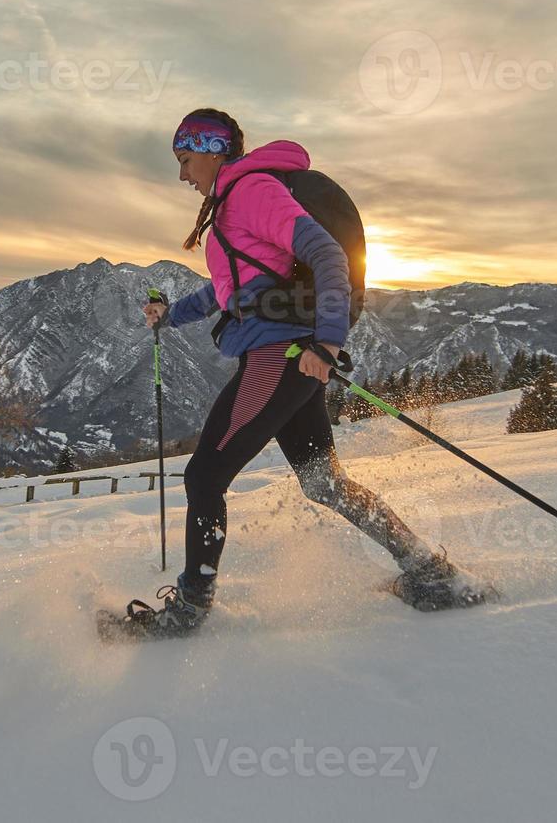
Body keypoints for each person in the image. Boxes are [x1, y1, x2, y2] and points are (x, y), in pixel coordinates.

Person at [109, 109, 493, 640]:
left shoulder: (251, 192)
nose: (182, 175)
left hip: (282, 356)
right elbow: (228, 292)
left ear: (213, 148)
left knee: (203, 476)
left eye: (185, 159)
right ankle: (431, 571)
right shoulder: (231, 206)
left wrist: (327, 343)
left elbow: (327, 254)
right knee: (323, 483)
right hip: (288, 355)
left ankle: (190, 610)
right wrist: (170, 315)